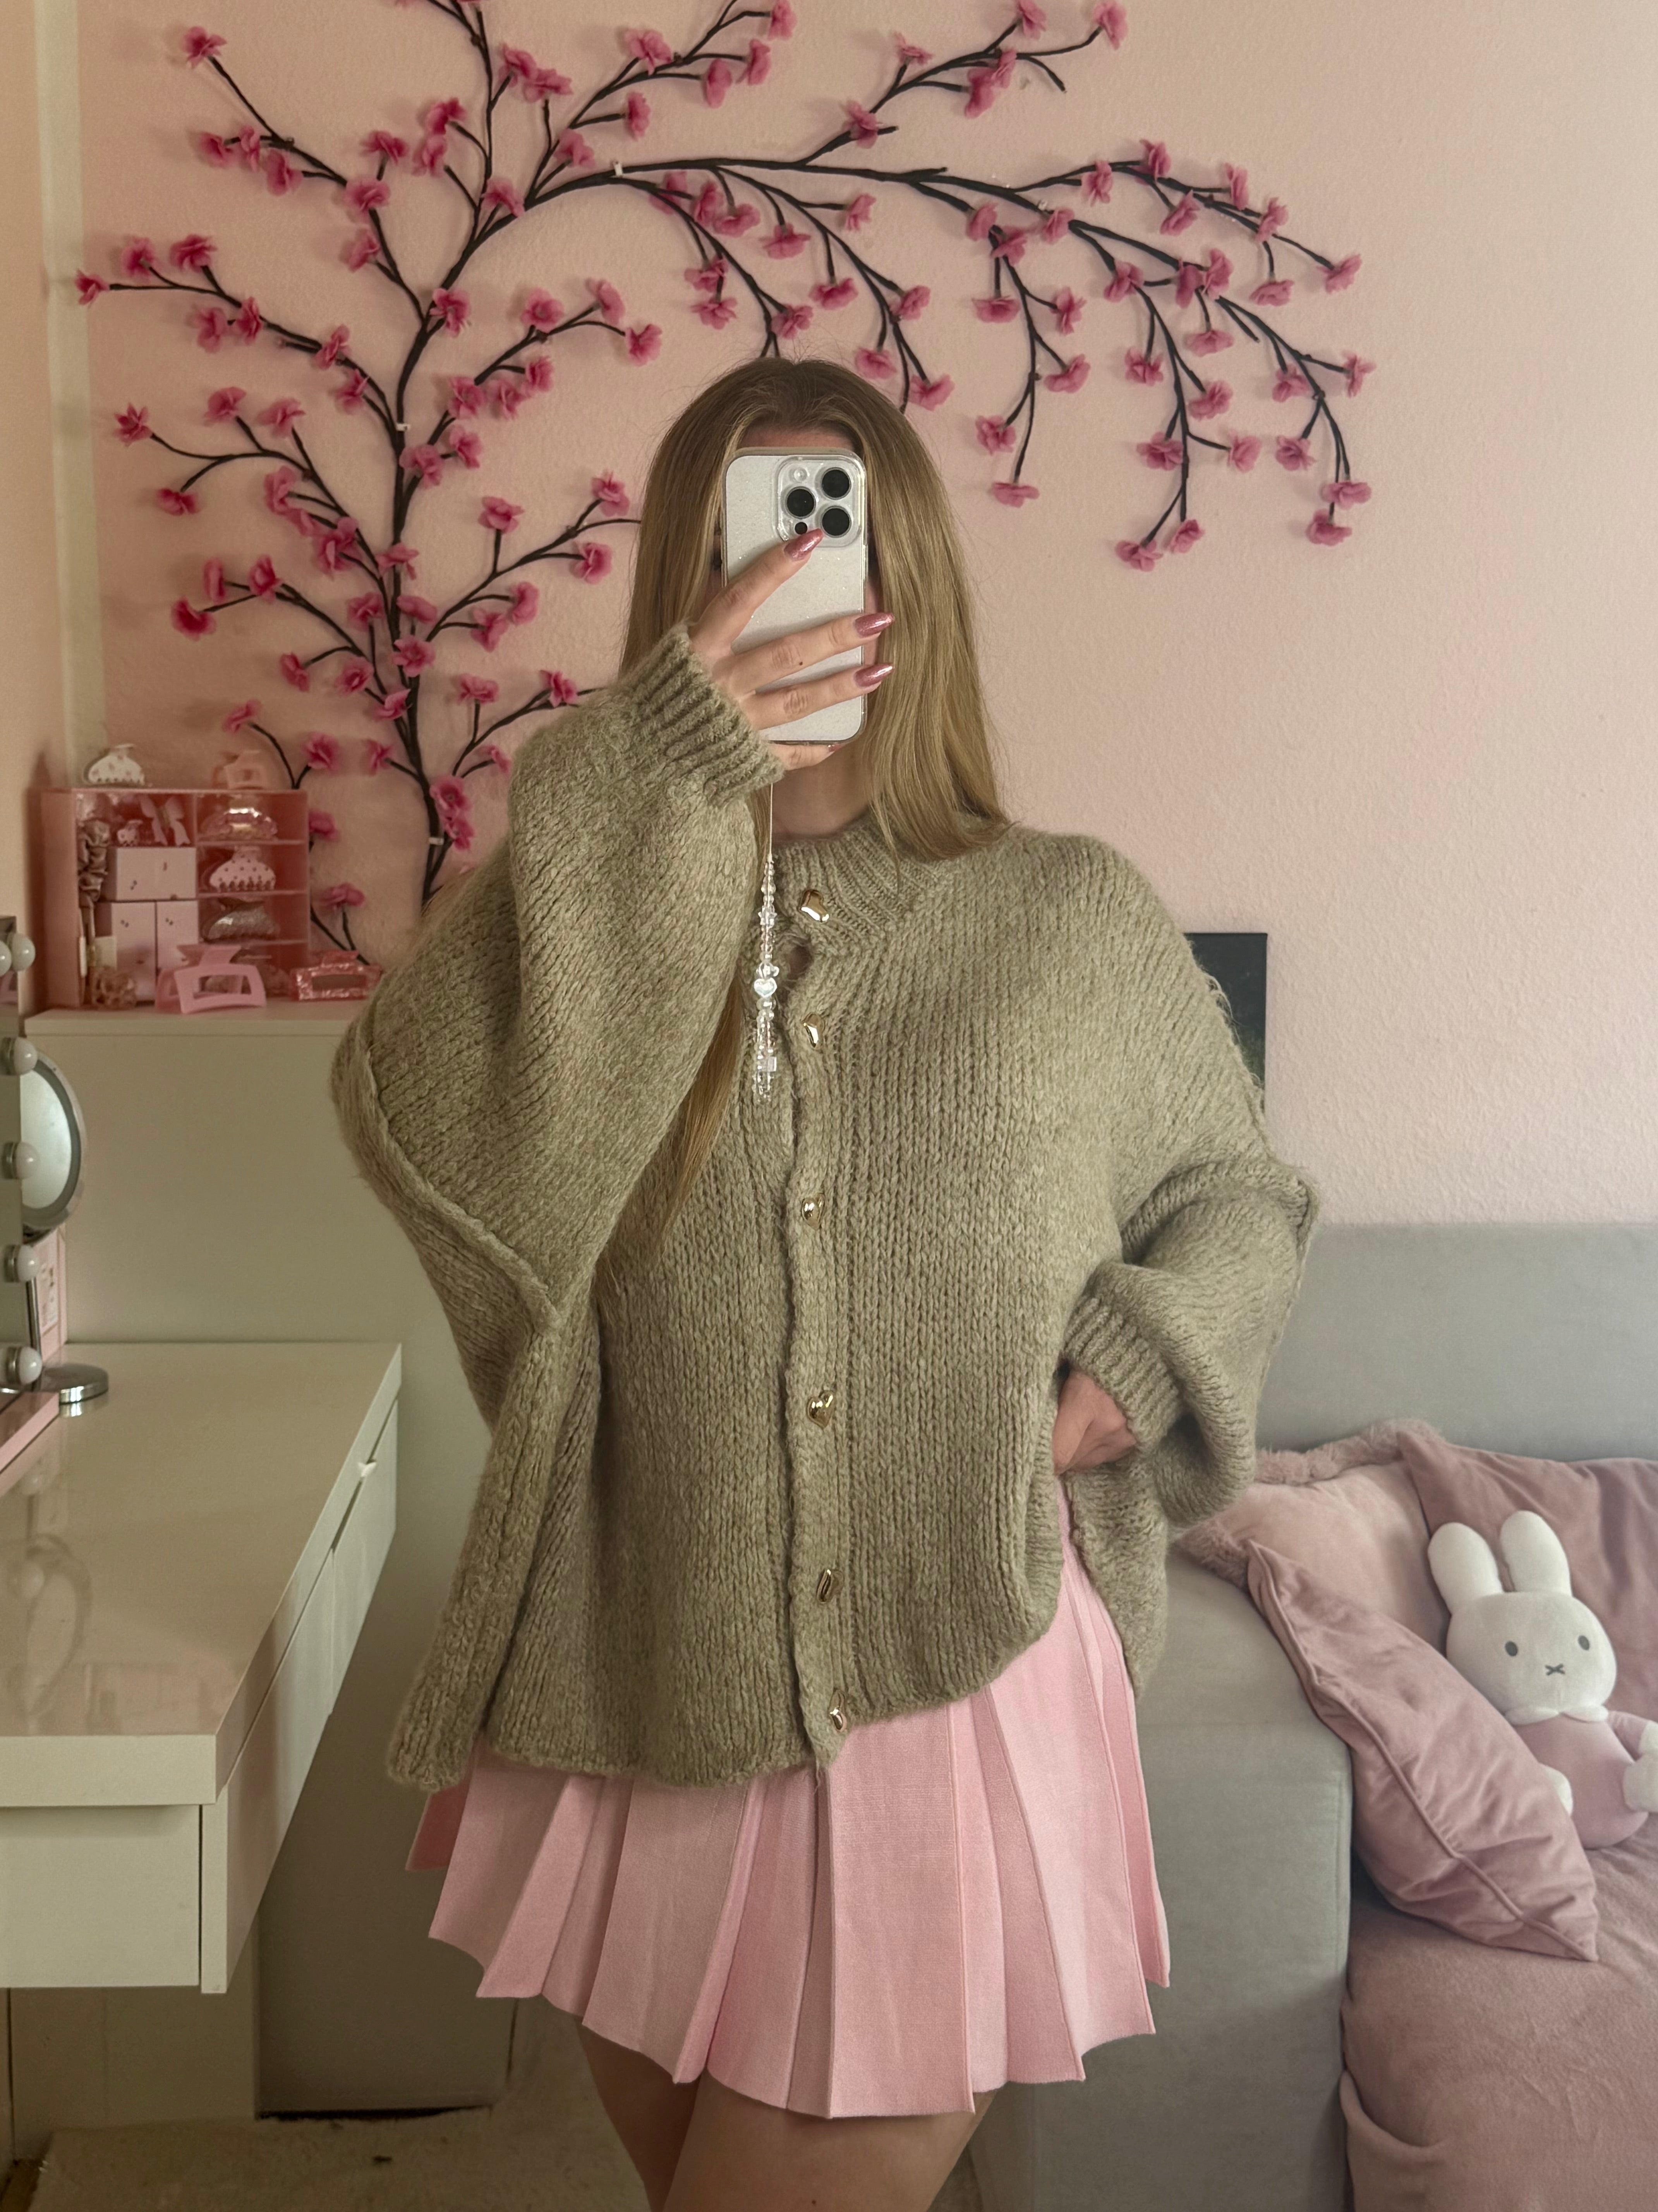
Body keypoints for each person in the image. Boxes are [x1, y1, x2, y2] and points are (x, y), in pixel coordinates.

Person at [329, 356, 1322, 2212]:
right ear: (681, 579)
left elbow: (1236, 1196)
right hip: (646, 1665)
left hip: (953, 1672)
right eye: (750, 536)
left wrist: (1137, 1357)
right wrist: (652, 774)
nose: (800, 576)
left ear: (908, 571)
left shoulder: (1069, 916)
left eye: (835, 530)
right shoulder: (595, 912)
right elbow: (420, 1122)